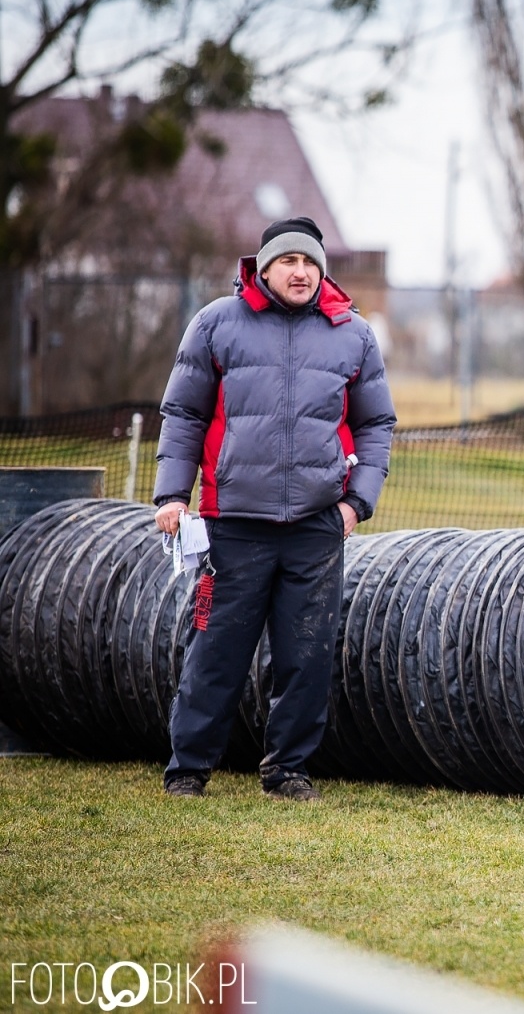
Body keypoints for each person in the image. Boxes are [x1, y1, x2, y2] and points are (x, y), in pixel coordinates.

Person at [152, 216, 396, 802]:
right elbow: (183, 415)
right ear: (263, 267)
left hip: (316, 526)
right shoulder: (216, 324)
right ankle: (188, 768)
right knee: (216, 650)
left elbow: (376, 424)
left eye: (311, 262)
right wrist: (171, 495)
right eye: (289, 260)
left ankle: (288, 771)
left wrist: (355, 505)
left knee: (307, 656)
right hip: (233, 523)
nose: (301, 271)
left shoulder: (352, 334)